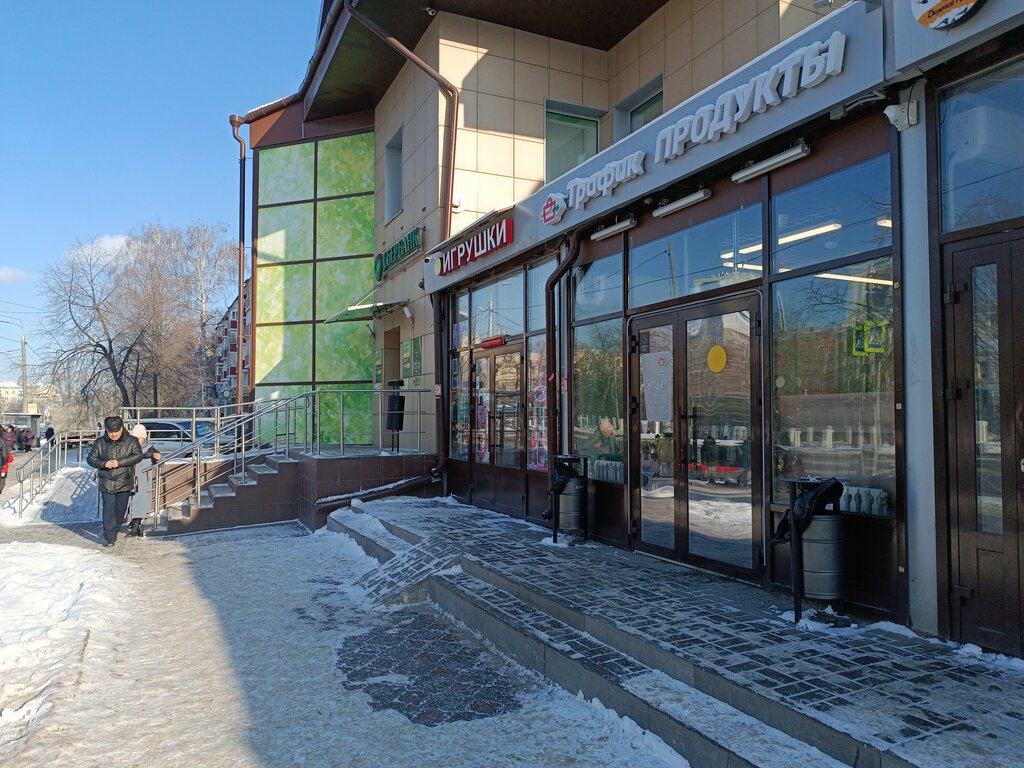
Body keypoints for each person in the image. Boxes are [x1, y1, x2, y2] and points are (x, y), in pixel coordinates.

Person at [88, 416, 143, 548]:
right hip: (106, 481)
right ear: (106, 430)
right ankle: (109, 537)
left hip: (124, 481)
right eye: (110, 432)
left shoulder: (132, 441)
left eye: (116, 432)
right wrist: (104, 463)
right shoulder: (100, 442)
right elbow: (90, 458)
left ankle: (115, 529)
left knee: (120, 509)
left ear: (122, 429)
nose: (113, 435)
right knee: (108, 509)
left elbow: (138, 455)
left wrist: (120, 463)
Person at [126, 424, 162, 537]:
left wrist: (159, 458)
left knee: (140, 503)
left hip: (143, 480)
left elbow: (161, 461)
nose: (136, 440)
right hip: (129, 478)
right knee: (128, 501)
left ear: (143, 437)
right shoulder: (128, 447)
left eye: (138, 438)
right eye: (134, 438)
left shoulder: (150, 448)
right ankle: (133, 524)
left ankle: (136, 526)